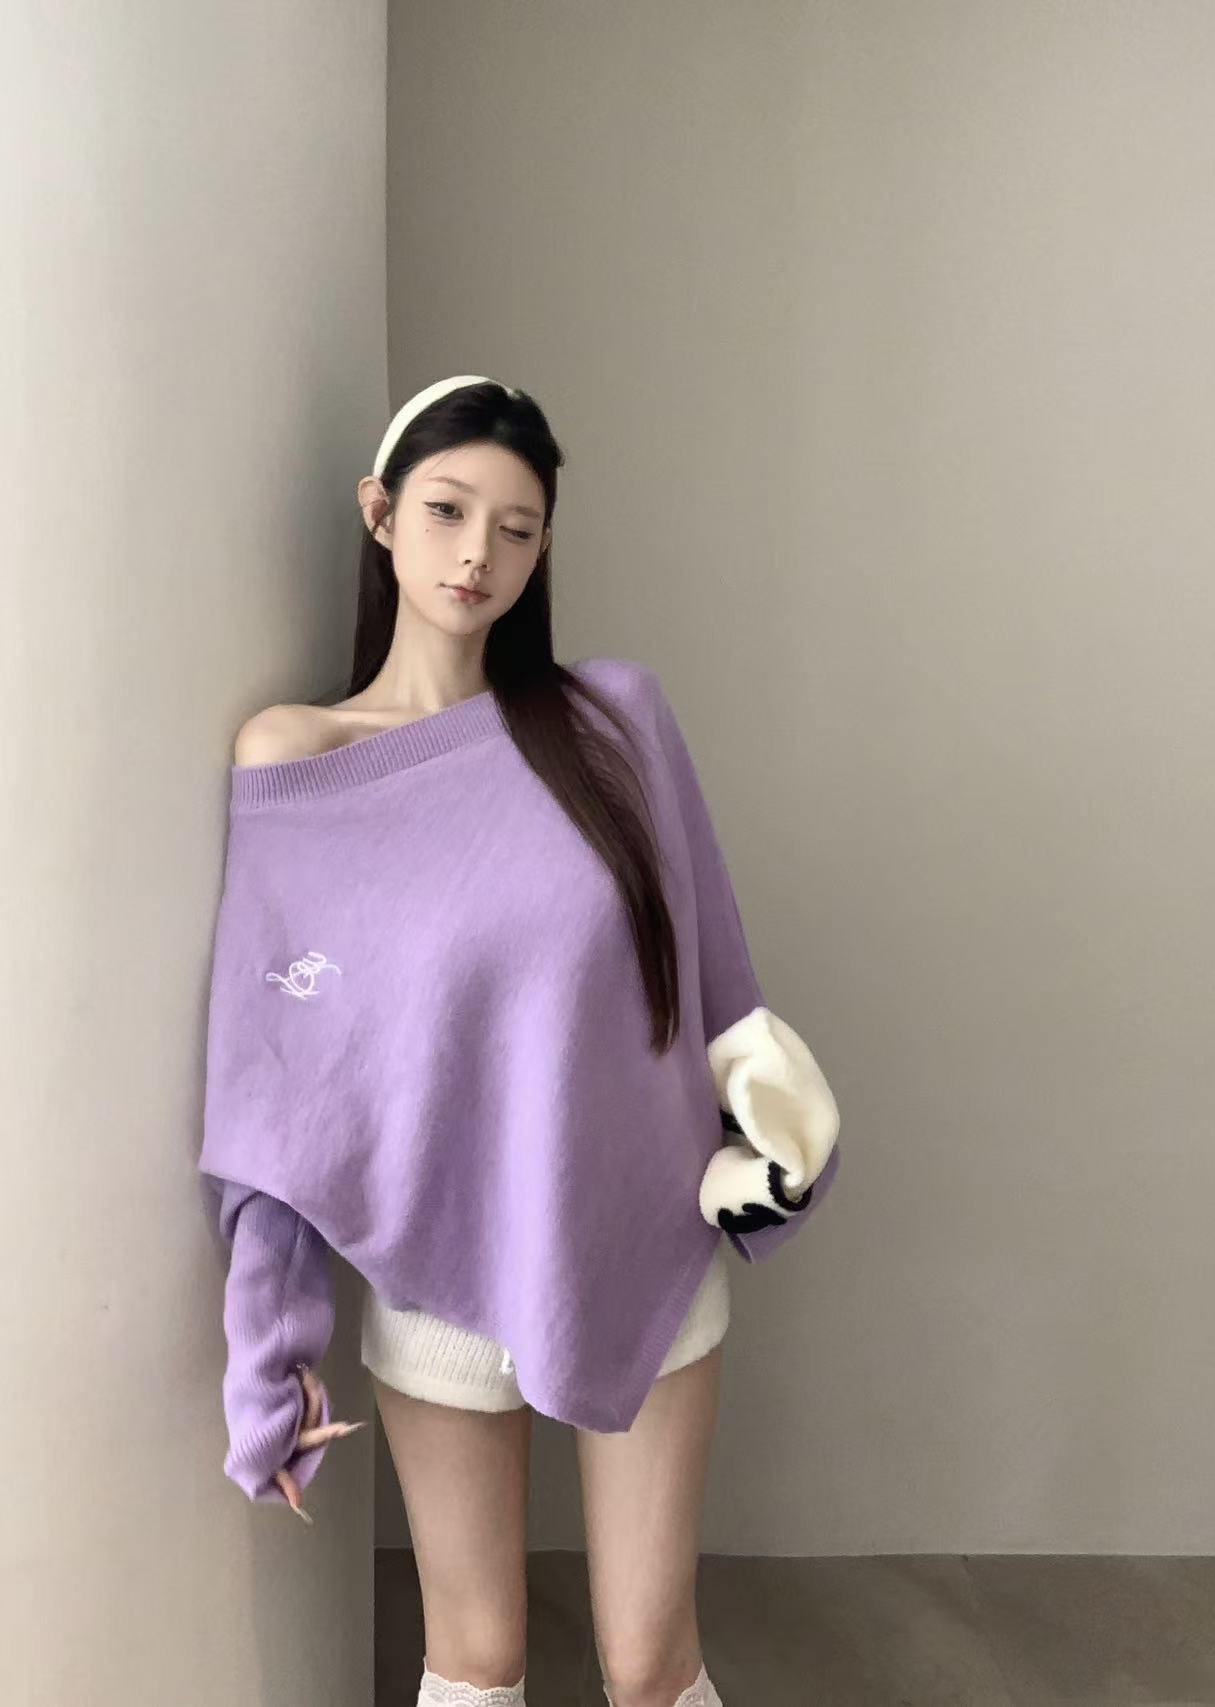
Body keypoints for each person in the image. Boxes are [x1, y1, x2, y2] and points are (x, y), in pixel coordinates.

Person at [199, 375, 842, 1707]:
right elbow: (280, 1070)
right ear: (380, 514)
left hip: (634, 1236)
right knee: (476, 1658)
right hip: (434, 1257)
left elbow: (714, 973)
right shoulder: (296, 757)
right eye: (446, 512)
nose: (477, 555)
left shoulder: (613, 721)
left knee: (652, 1666)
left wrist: (776, 1138)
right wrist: (271, 1345)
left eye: (517, 527)